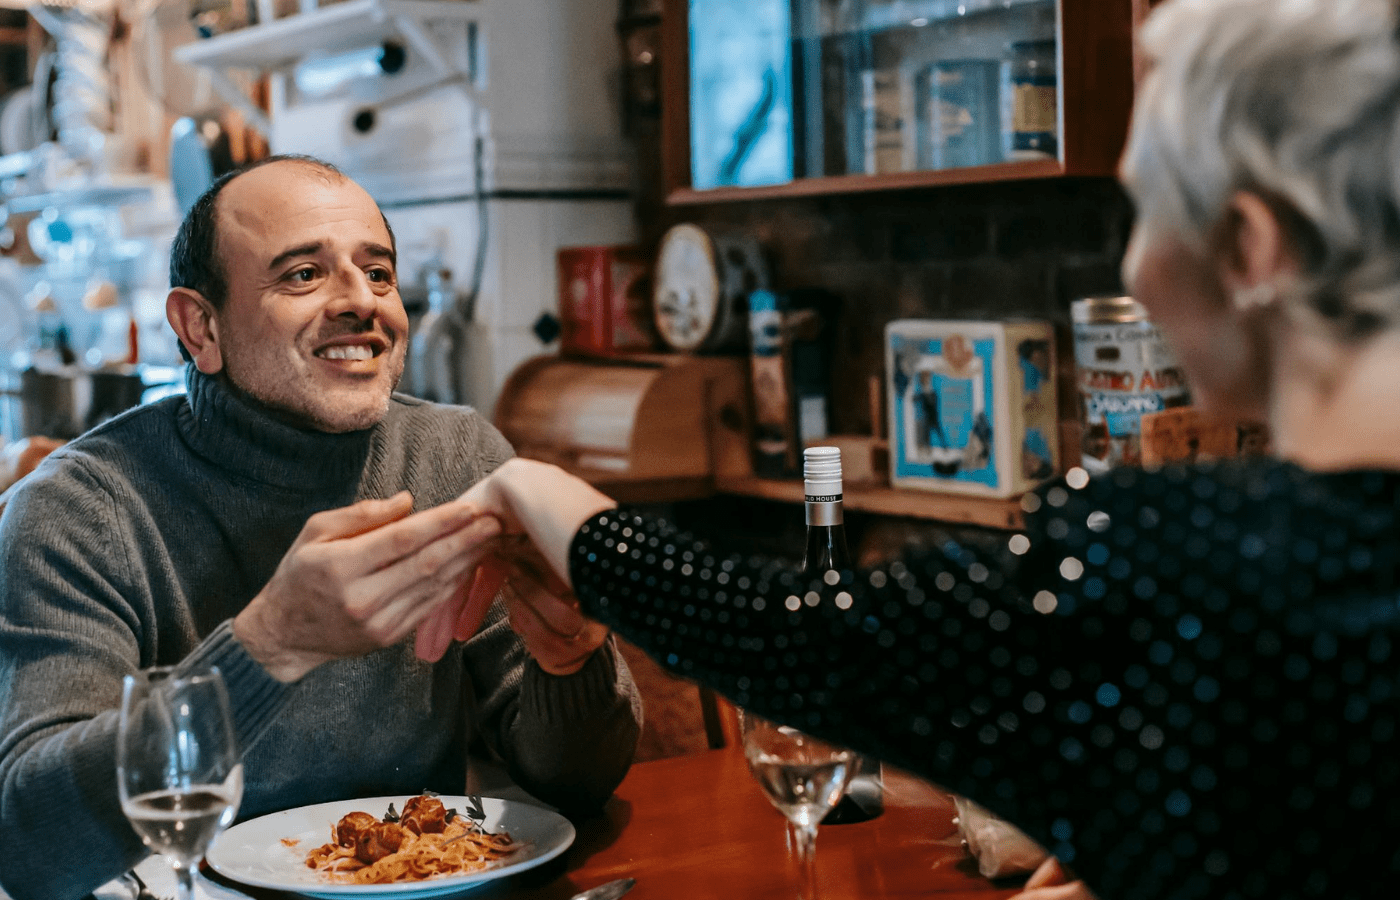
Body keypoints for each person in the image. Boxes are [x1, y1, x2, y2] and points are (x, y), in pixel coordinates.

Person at [419, 1, 1400, 898]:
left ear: (1251, 246)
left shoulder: (1178, 561)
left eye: (1143, 210)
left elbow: (797, 633)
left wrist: (538, 494)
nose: (1134, 265)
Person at [0, 155, 641, 900]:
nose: (361, 303)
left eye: (379, 272)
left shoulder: (458, 458)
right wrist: (269, 646)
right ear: (199, 327)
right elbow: (29, 847)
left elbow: (578, 785)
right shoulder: (80, 509)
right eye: (303, 274)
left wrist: (571, 662)